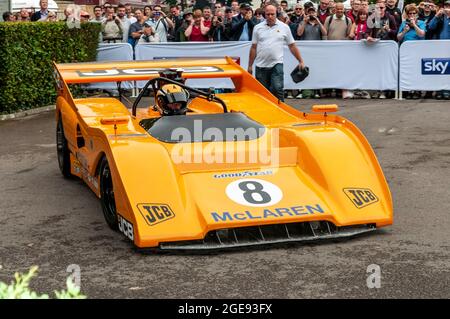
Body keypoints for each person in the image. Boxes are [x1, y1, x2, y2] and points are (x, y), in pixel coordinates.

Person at [248, 4, 306, 102]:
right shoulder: (257, 28)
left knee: (277, 88)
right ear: (264, 15)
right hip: (260, 65)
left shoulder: (284, 27)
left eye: (272, 14)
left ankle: (282, 112)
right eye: (268, 14)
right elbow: (254, 47)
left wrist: (301, 61)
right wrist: (250, 66)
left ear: (276, 14)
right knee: (262, 93)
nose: (270, 16)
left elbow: (292, 45)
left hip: (277, 63)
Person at [428, 0, 450, 99]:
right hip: (439, 47)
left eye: (449, 6)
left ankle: (447, 90)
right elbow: (430, 27)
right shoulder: (440, 16)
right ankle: (440, 90)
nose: (447, 8)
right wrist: (436, 16)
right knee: (440, 69)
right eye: (446, 5)